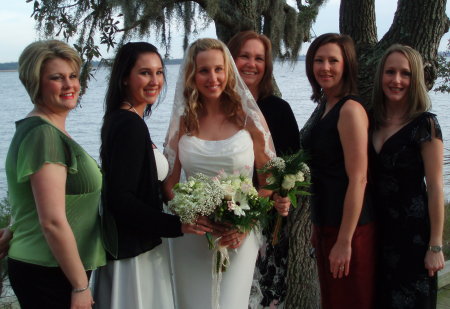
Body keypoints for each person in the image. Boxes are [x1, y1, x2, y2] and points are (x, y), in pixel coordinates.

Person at [163, 38, 288, 309]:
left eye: (218, 69)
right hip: (194, 234)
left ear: (228, 71)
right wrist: (191, 214)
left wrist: (245, 223)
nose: (213, 77)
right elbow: (170, 184)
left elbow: (269, 182)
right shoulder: (183, 121)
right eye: (204, 70)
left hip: (238, 235)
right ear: (192, 75)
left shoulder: (247, 118)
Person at [92, 42, 210, 309]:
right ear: (124, 78)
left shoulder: (124, 119)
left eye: (159, 72)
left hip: (136, 245)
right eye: (144, 73)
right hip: (132, 256)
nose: (154, 80)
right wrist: (176, 226)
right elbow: (120, 200)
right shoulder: (128, 125)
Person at [5, 40, 106, 309]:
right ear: (35, 83)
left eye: (73, 76)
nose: (69, 85)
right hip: (48, 271)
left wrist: (13, 227)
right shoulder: (43, 136)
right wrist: (80, 286)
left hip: (53, 268)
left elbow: (30, 199)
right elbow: (51, 220)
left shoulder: (45, 130)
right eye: (56, 78)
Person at [299, 33, 376, 309]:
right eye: (319, 60)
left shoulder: (350, 110)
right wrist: (317, 227)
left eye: (333, 60)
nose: (325, 67)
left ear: (347, 65)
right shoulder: (325, 106)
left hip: (351, 230)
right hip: (326, 224)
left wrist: (344, 241)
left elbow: (359, 178)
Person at [227, 30, 300, 308]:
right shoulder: (216, 107)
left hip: (268, 225)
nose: (251, 63)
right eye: (244, 55)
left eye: (259, 58)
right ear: (230, 58)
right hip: (223, 220)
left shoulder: (278, 109)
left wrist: (286, 196)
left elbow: (292, 167)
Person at [370, 44, 445, 309]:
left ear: (416, 80)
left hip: (413, 238)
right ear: (381, 76)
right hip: (374, 234)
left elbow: (435, 187)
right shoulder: (369, 121)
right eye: (390, 72)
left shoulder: (425, 125)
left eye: (406, 73)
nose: (397, 80)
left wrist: (435, 245)